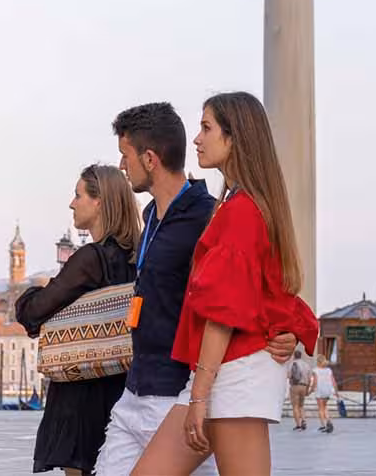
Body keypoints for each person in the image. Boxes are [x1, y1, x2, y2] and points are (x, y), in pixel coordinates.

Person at [95, 102, 297, 476]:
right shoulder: (229, 207)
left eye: (206, 128)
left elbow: (223, 309)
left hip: (229, 377)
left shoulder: (232, 212)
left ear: (234, 138)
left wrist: (199, 396)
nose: (197, 138)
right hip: (207, 378)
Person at [16, 164, 141, 476]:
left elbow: (33, 311)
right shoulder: (139, 255)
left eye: (78, 195)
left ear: (99, 202)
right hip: (126, 387)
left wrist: (38, 288)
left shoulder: (90, 259)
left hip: (83, 391)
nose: (72, 203)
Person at [309, 355, 338, 433]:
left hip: (319, 390)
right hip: (327, 390)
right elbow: (333, 381)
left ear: (318, 362)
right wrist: (336, 391)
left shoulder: (315, 370)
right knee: (325, 407)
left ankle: (323, 425)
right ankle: (328, 421)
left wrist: (310, 391)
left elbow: (315, 382)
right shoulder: (329, 370)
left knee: (320, 408)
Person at [288, 349, 311, 430]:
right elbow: (309, 379)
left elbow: (289, 375)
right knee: (301, 406)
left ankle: (298, 425)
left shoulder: (292, 364)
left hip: (295, 386)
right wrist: (307, 389)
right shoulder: (306, 365)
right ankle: (303, 420)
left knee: (295, 406)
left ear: (294, 355)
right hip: (304, 386)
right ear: (301, 355)